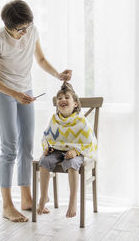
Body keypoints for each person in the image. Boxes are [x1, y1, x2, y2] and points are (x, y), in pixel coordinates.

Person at [0, 0, 72, 222]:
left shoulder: (31, 31)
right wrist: (14, 94)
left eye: (28, 27)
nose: (25, 32)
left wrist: (58, 75)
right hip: (5, 93)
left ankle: (26, 198)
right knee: (10, 147)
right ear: (8, 26)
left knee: (26, 145)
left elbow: (41, 59)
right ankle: (7, 205)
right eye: (20, 29)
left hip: (26, 91)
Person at [37, 82, 97, 218]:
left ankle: (72, 200)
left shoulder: (81, 121)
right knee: (44, 162)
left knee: (71, 164)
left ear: (75, 103)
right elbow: (47, 136)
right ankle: (44, 196)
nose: (62, 100)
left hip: (75, 152)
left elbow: (90, 141)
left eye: (66, 97)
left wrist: (76, 151)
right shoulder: (55, 120)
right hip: (57, 150)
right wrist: (47, 148)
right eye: (59, 98)